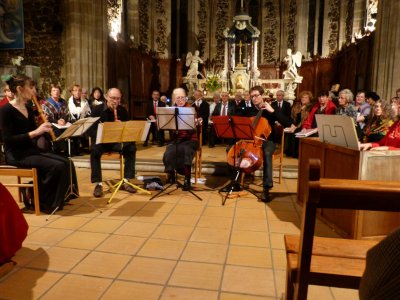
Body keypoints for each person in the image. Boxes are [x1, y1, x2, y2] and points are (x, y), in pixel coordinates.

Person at [0, 74, 79, 212]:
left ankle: (60, 197)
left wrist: (41, 127)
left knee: (67, 162)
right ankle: (42, 200)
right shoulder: (5, 111)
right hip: (17, 154)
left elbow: (33, 133)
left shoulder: (29, 108)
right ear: (19, 89)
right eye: (31, 88)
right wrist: (36, 132)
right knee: (57, 166)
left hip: (31, 151)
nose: (34, 91)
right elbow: (8, 140)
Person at [221, 85, 291, 202]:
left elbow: (287, 122)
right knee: (230, 149)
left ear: (262, 95)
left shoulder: (272, 107)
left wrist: (272, 111)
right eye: (252, 96)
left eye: (257, 96)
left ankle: (266, 188)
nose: (254, 98)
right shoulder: (249, 110)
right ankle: (235, 183)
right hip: (249, 139)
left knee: (267, 152)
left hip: (267, 140)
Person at [90, 87, 137, 198]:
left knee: (131, 147)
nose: (115, 101)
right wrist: (106, 131)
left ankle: (126, 180)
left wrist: (121, 127)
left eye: (118, 99)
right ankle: (98, 184)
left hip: (117, 142)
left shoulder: (122, 111)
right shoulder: (97, 110)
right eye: (113, 98)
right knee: (94, 150)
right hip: (102, 143)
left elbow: (128, 131)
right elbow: (91, 130)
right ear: (106, 97)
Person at [163, 88, 199, 191]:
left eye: (182, 97)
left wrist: (195, 123)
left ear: (186, 98)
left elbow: (194, 128)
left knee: (186, 150)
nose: (180, 100)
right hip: (177, 139)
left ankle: (187, 179)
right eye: (178, 98)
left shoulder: (191, 109)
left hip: (191, 139)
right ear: (174, 99)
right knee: (169, 152)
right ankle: (171, 174)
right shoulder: (170, 110)